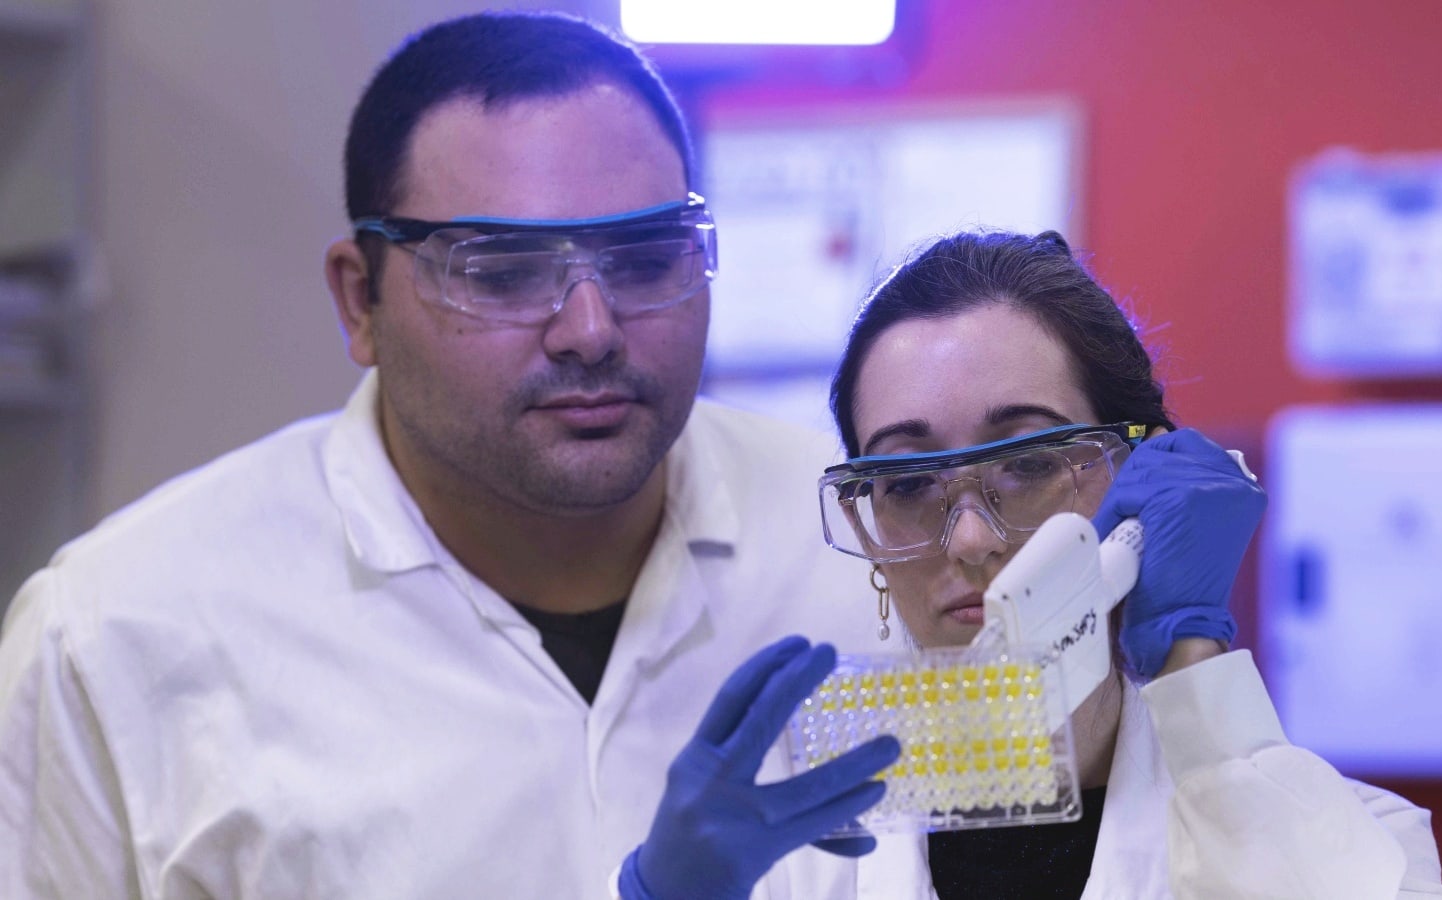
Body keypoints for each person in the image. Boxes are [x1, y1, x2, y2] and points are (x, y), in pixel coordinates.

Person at [0, 12, 895, 900]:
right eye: (501, 272)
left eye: (646, 257)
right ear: (361, 302)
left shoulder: (872, 551)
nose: (590, 330)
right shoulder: (120, 636)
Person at [813, 228, 1442, 898]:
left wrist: (1195, 668)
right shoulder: (798, 864)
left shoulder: (1362, 849)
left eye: (1030, 463)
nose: (970, 539)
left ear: (1137, 475)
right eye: (909, 485)